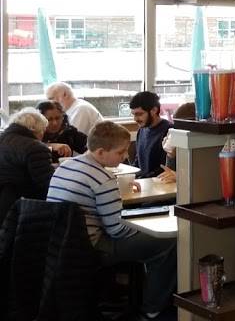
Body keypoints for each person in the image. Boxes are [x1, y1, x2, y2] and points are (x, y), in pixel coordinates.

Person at [47, 121, 176, 318]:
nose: (125, 157)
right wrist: (145, 228)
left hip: (61, 242)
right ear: (100, 152)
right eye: (120, 152)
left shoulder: (66, 166)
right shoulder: (102, 178)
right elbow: (117, 230)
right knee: (167, 242)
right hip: (92, 246)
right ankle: (153, 308)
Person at [0, 108, 54, 224]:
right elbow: (47, 183)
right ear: (36, 129)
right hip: (22, 209)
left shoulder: (3, 139)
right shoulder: (35, 147)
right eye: (43, 130)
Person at [130, 91, 169, 179]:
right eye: (134, 114)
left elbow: (164, 168)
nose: (135, 119)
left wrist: (140, 179)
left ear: (154, 110)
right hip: (143, 181)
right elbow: (137, 162)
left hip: (158, 182)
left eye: (139, 114)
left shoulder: (168, 131)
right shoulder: (142, 130)